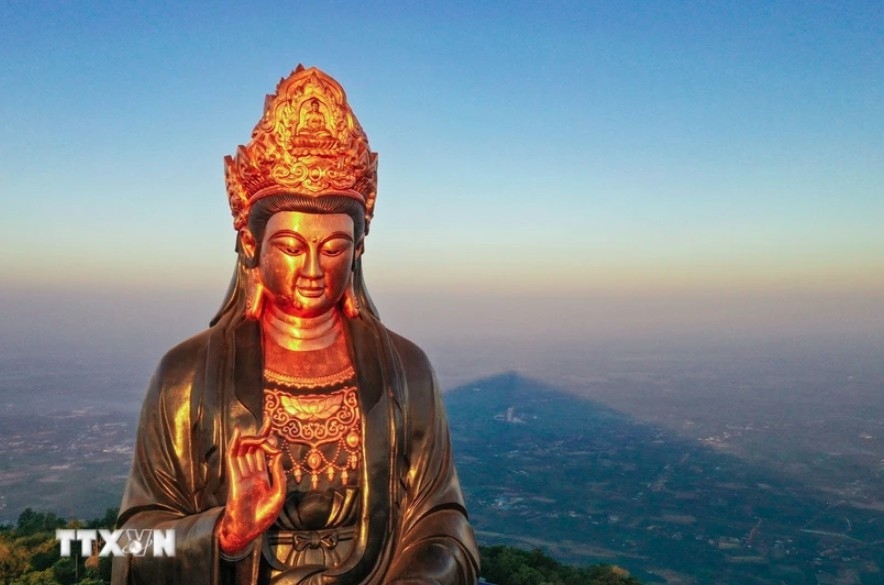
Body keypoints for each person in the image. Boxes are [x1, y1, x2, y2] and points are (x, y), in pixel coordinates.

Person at [112, 65, 479, 585]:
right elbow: (131, 542)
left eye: (333, 248)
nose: (312, 269)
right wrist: (226, 533)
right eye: (289, 246)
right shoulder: (187, 374)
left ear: (358, 250)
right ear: (251, 244)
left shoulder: (404, 369)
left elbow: (444, 523)